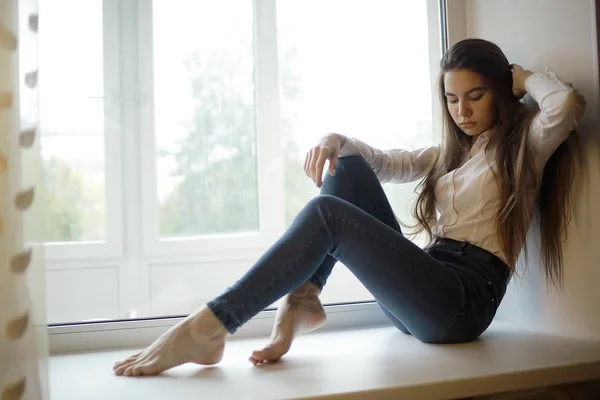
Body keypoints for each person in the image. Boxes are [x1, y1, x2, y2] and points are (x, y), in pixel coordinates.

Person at [113, 38, 586, 377]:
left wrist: (518, 75)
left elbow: (565, 104)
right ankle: (303, 299)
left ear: (501, 92)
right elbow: (387, 163)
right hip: (422, 290)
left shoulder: (525, 148)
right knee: (347, 164)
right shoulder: (451, 154)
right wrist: (334, 139)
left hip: (460, 302)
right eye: (452, 99)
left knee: (328, 217)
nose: (461, 110)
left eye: (475, 96)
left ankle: (215, 323)